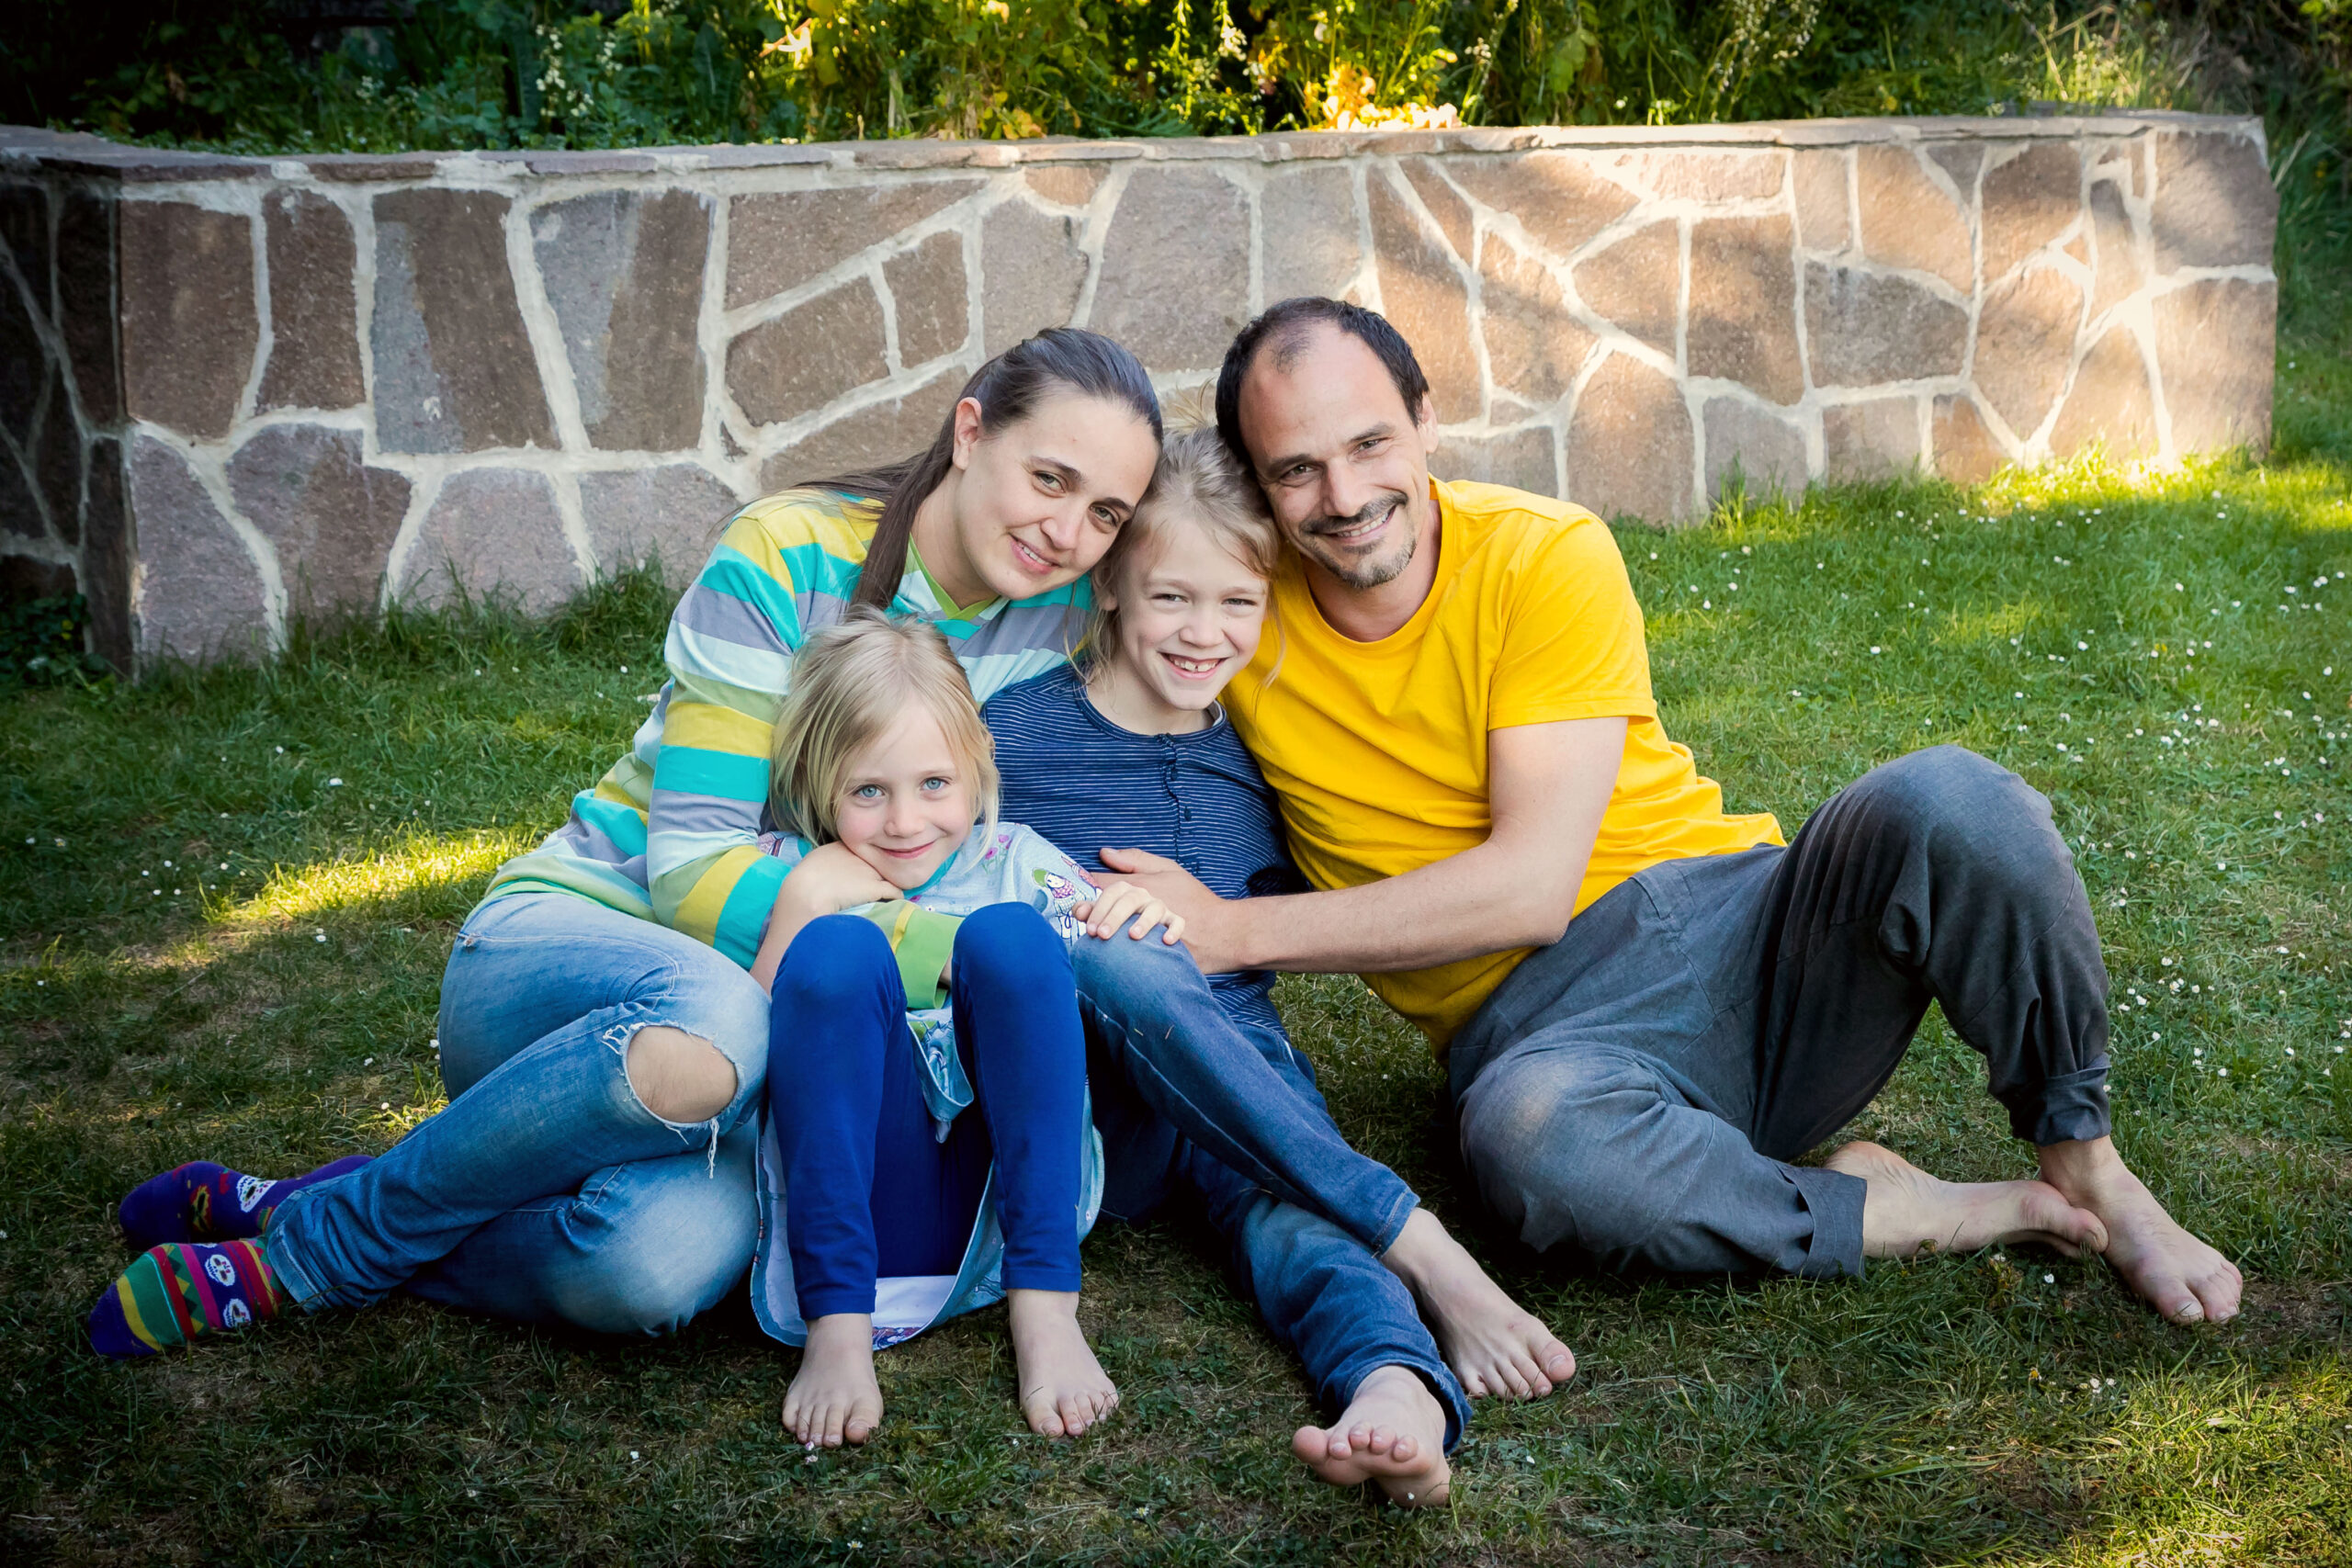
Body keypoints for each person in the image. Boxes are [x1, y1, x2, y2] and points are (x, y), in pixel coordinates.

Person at [1104, 296, 2243, 1329]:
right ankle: (1894, 1210)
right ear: (1254, 484)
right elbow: (1051, 554)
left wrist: (1230, 930)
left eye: (1368, 444)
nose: (1344, 498)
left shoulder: (1541, 554)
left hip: (1747, 933)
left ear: (1424, 418)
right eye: (1295, 469)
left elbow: (1530, 889)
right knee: (1532, 1146)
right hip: (1547, 1044)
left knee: (1957, 798)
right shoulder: (1229, 618)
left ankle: (2082, 1159)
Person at [86, 328, 1167, 1359]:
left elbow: (1220, 590)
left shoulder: (1059, 608)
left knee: (649, 1270)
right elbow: (692, 875)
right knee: (722, 1018)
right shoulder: (788, 552)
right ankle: (331, 1249)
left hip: (776, 1031)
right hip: (577, 955)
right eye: (1050, 479)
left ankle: (310, 1199)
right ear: (971, 432)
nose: (1068, 531)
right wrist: (898, 928)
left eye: (1106, 513)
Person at [986, 428, 1570, 1506]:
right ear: (1110, 587)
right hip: (1071, 1095)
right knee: (1123, 950)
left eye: (1235, 604)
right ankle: (1423, 1243)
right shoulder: (1008, 738)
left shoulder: (1262, 759)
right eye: (1171, 599)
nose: (1203, 634)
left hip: (1234, 1083)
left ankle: (1395, 1392)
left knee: (1289, 1210)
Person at [752, 607, 1184, 1448]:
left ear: (976, 770)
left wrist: (1138, 912)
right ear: (819, 786)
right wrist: (803, 902)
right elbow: (758, 1036)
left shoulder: (1017, 860)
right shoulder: (794, 870)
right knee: (836, 951)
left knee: (1011, 934)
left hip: (998, 1201)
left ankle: (1046, 1307)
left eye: (934, 784)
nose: (906, 822)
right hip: (862, 1203)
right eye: (868, 791)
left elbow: (1104, 970)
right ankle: (836, 1326)